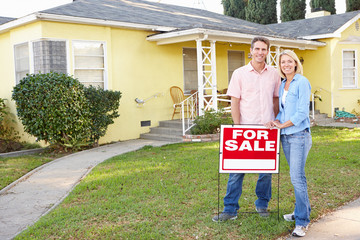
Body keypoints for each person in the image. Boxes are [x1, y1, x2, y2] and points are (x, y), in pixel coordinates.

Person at [212, 36, 281, 222]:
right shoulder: (239, 73)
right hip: (245, 129)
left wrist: (275, 121)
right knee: (236, 171)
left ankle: (262, 204)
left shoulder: (274, 73)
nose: (260, 53)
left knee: (266, 172)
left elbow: (276, 100)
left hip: (267, 130)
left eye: (263, 49)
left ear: (268, 51)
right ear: (250, 51)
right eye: (257, 49)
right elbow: (235, 101)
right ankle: (230, 209)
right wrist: (237, 127)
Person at [265, 50, 312, 237]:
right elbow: (283, 111)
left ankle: (302, 221)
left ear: (295, 63)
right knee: (296, 177)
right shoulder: (283, 84)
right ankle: (300, 211)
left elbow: (301, 113)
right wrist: (275, 122)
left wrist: (282, 125)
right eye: (283, 62)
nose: (286, 64)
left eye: (289, 61)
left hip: (299, 135)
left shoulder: (302, 82)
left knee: (296, 178)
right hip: (285, 135)